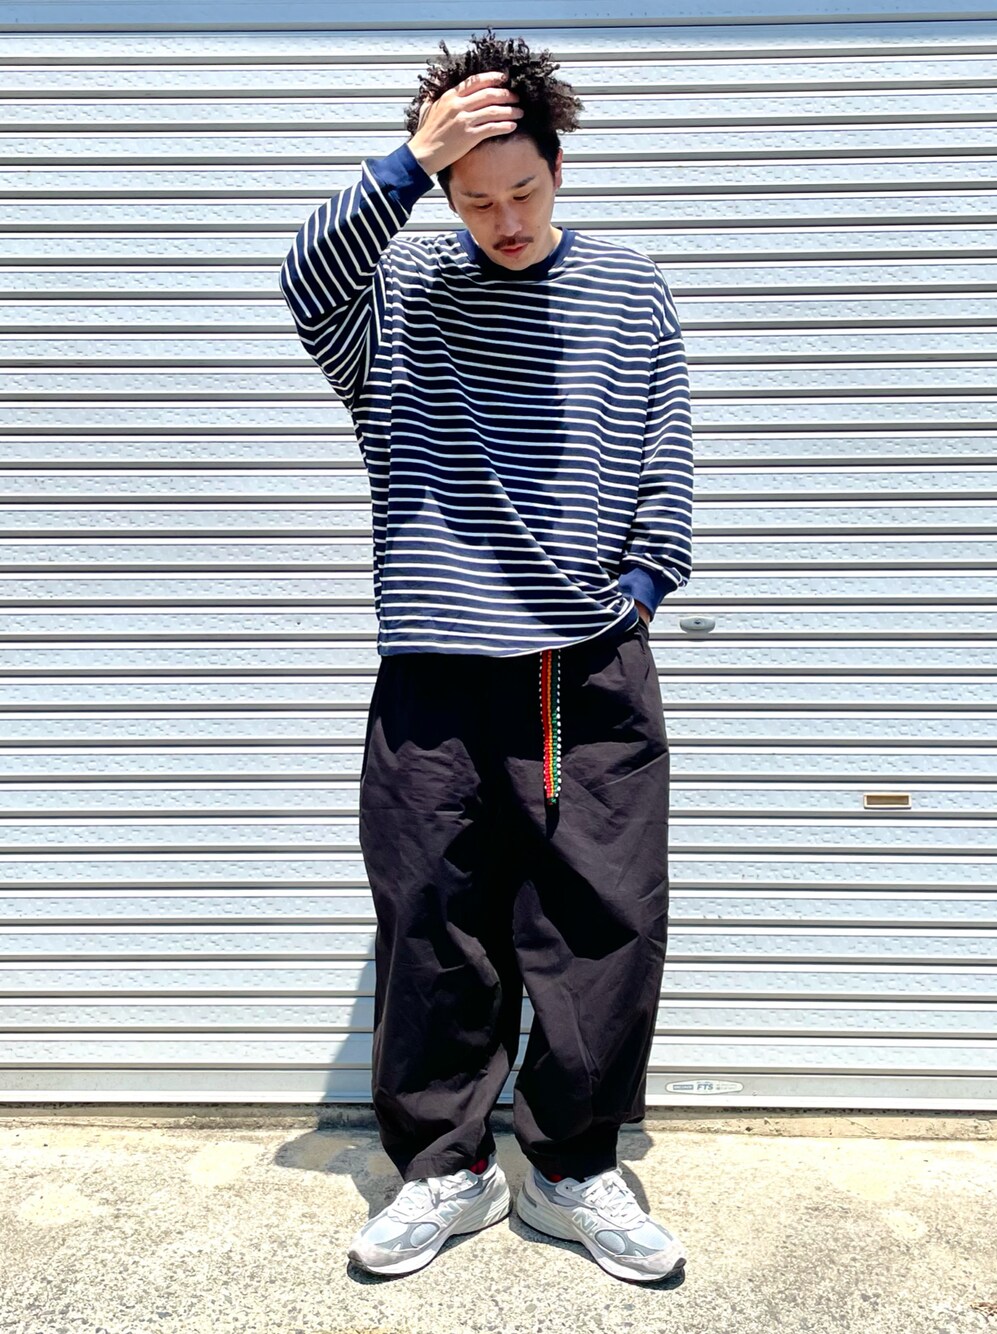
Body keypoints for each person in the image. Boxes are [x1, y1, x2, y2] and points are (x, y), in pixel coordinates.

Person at [279, 29, 694, 1284]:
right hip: (436, 665)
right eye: (474, 199)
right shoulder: (396, 296)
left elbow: (665, 448)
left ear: (558, 169)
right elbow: (303, 281)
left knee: (600, 925)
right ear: (443, 191)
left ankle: (572, 1167)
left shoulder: (627, 287)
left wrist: (639, 587)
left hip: (584, 664)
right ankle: (443, 1171)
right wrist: (406, 165)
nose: (504, 220)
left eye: (522, 190)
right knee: (432, 923)